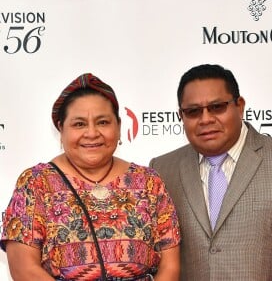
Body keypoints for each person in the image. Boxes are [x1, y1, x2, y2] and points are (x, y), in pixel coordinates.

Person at [0, 73, 181, 281]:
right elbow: (24, 269)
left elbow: (170, 266)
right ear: (61, 128)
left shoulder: (149, 182)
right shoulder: (36, 183)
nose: (92, 133)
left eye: (103, 122)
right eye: (79, 124)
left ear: (119, 126)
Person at [149, 64, 272, 281]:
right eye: (193, 111)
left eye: (217, 107)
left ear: (240, 106)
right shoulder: (162, 169)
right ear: (181, 115)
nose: (206, 119)